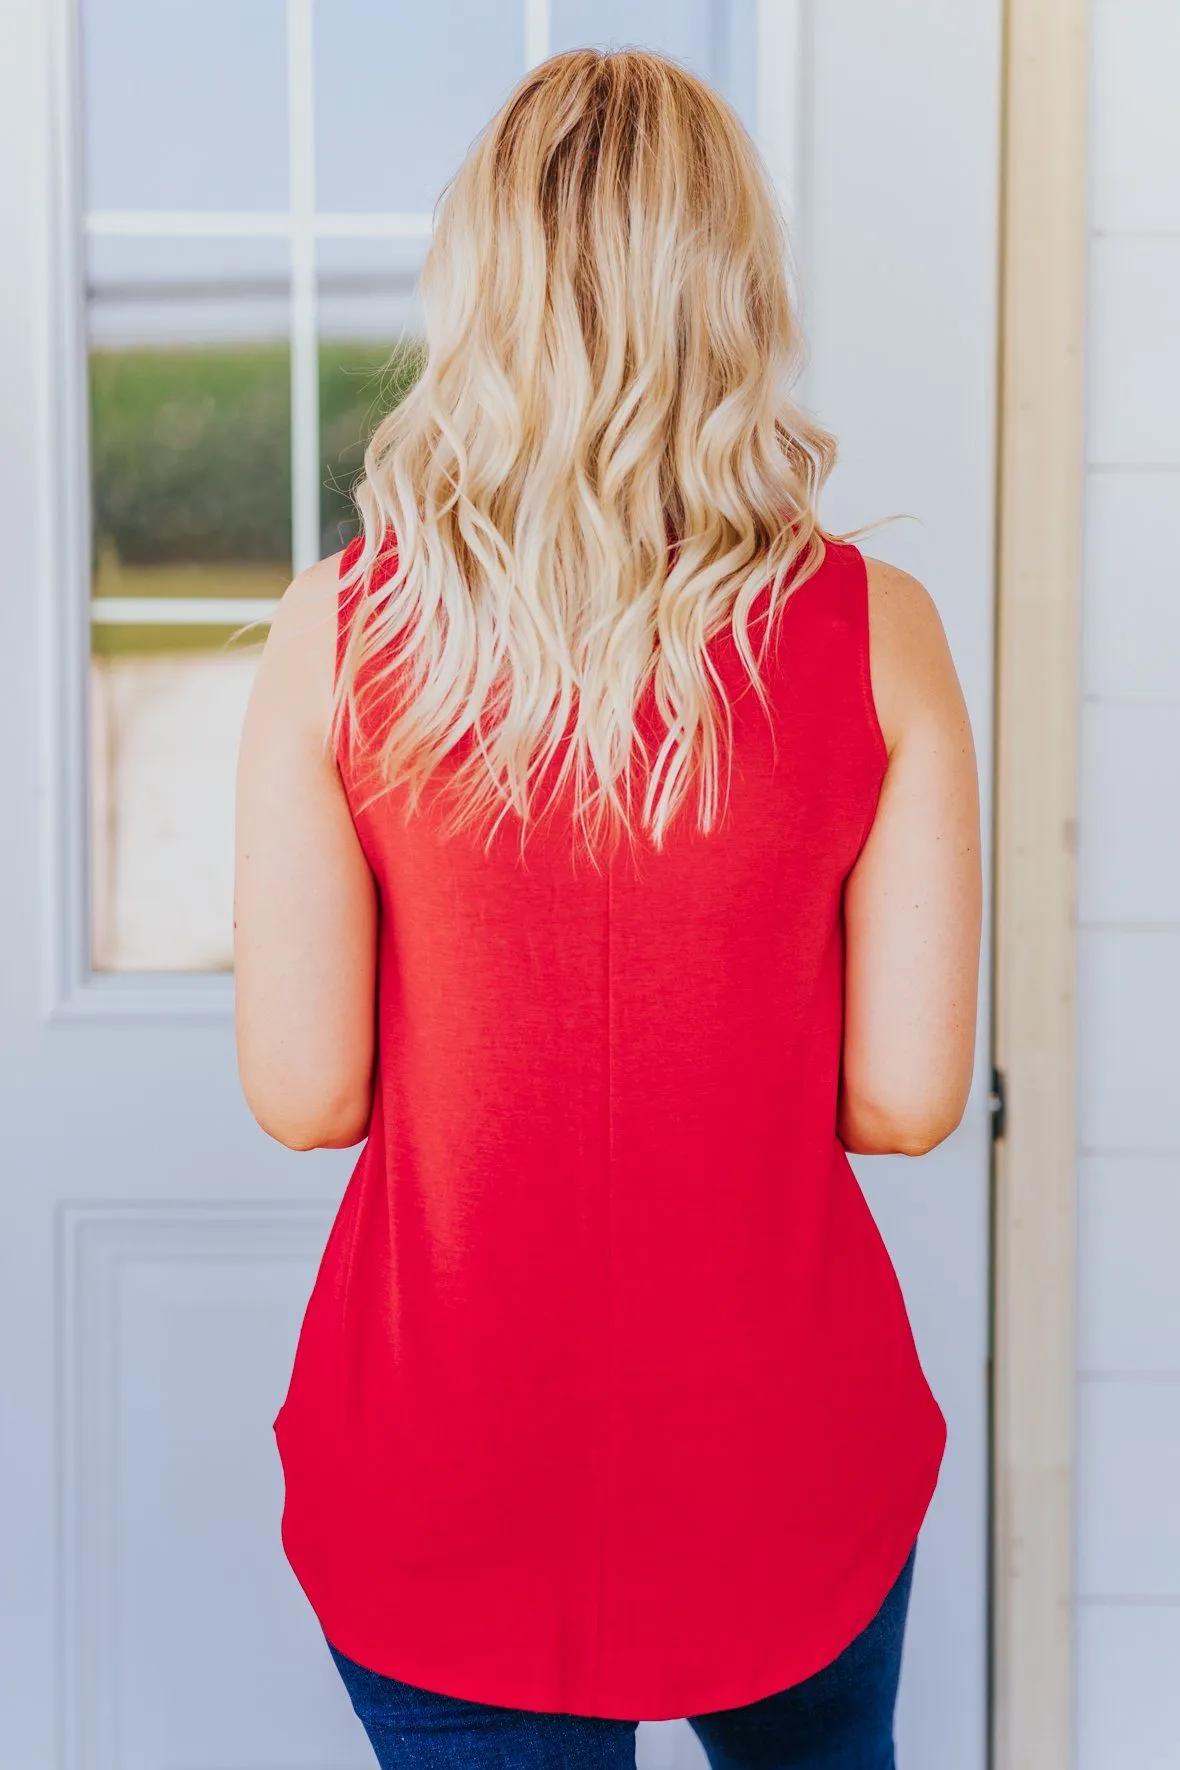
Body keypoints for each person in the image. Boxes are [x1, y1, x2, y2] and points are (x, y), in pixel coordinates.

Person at [233, 46, 982, 1770]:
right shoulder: (882, 633)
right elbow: (907, 1099)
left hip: (445, 1454)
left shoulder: (333, 635)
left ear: (475, 288)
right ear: (737, 293)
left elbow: (306, 1093)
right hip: (783, 1452)